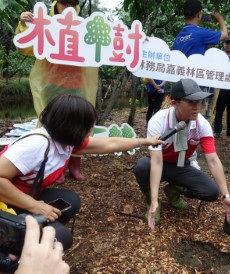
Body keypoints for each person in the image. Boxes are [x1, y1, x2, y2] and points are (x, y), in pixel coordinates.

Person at [0, 94, 163, 252]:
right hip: (6, 202)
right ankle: (16, 250)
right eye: (88, 125)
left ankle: (32, 232)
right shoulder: (36, 145)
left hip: (23, 196)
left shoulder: (65, 141)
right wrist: (34, 206)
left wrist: (145, 141)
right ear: (72, 126)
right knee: (61, 237)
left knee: (70, 201)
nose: (91, 130)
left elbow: (110, 144)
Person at [133, 78, 230, 229]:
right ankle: (151, 201)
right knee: (142, 167)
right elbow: (156, 161)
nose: (196, 107)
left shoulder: (202, 124)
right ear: (174, 103)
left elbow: (213, 160)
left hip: (181, 165)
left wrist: (226, 195)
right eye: (191, 102)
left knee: (211, 191)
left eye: (199, 102)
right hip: (160, 163)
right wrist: (155, 199)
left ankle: (173, 189)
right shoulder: (158, 121)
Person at [16, 0, 99, 183]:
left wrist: (138, 41)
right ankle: (55, 166)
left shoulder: (83, 25)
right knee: (52, 125)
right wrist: (23, 25)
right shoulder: (44, 22)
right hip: (51, 83)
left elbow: (109, 46)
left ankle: (74, 166)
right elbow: (25, 47)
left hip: (78, 84)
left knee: (79, 125)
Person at [173, 0, 228, 168]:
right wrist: (220, 20)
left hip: (179, 84)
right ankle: (188, 157)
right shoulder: (200, 33)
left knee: (181, 118)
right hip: (193, 85)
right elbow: (224, 35)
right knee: (193, 118)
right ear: (199, 15)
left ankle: (180, 156)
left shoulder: (179, 36)